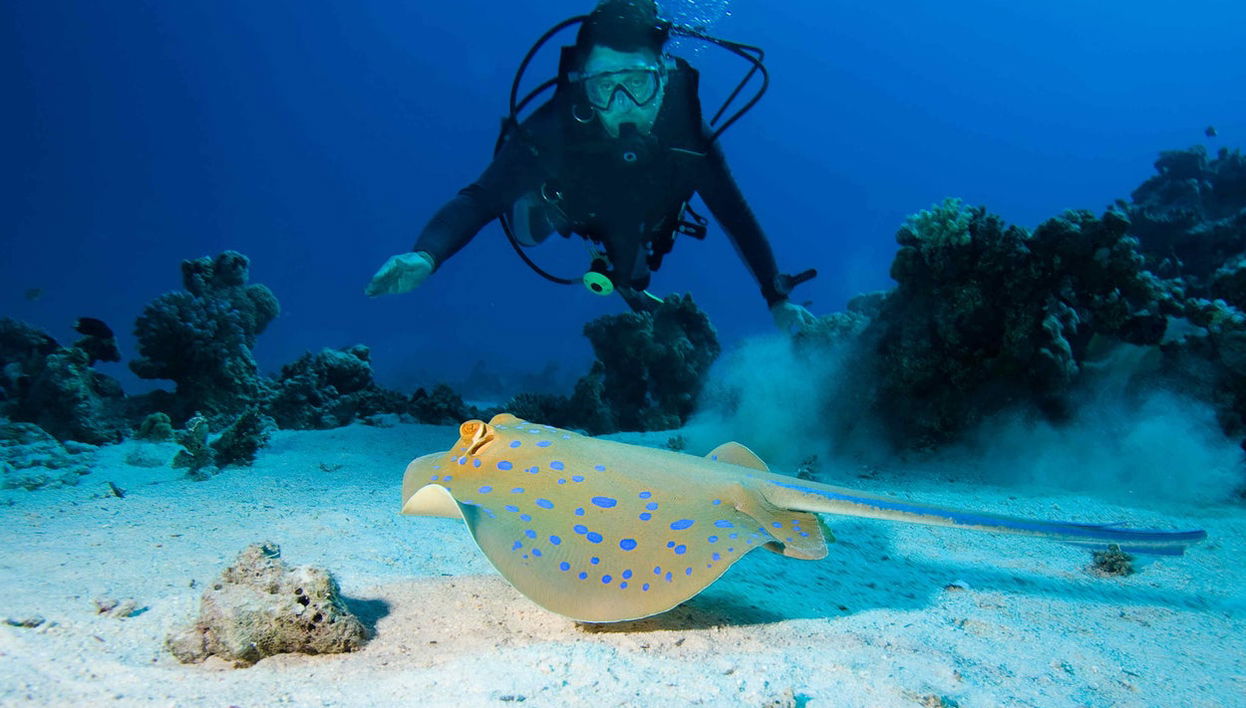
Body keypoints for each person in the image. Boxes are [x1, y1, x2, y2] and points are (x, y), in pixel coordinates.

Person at [366, 0, 817, 332]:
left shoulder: (690, 136)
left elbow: (734, 214)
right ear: (583, 85)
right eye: (604, 86)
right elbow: (481, 198)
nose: (623, 104)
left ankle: (626, 278)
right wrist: (427, 253)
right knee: (527, 228)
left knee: (636, 271)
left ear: (664, 77)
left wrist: (777, 298)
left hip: (644, 215)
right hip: (570, 204)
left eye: (638, 82)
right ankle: (554, 211)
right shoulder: (556, 126)